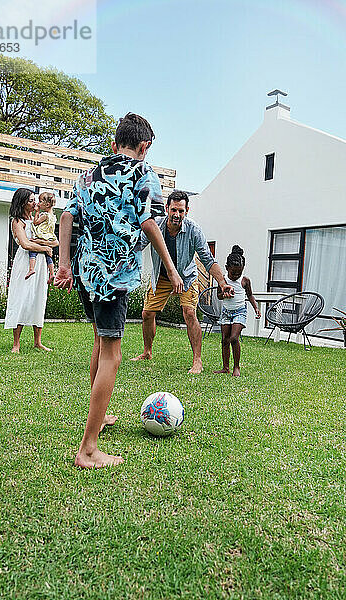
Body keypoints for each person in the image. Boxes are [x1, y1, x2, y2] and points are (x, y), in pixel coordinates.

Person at [54, 112, 183, 469]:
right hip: (113, 276)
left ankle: (101, 416)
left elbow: (66, 218)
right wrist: (171, 269)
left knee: (100, 341)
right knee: (113, 353)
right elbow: (148, 223)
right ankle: (88, 449)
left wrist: (64, 265)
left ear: (115, 144)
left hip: (84, 272)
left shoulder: (88, 174)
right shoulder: (145, 174)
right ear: (145, 147)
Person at [131, 190, 233, 374]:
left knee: (189, 313)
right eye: (174, 210)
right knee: (147, 314)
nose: (177, 215)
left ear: (187, 211)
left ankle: (197, 361)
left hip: (186, 276)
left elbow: (208, 260)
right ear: (166, 208)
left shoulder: (194, 230)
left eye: (181, 211)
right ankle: (147, 352)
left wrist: (223, 283)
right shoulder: (156, 226)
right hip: (161, 276)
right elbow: (137, 246)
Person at [4, 188, 58, 353]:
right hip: (25, 263)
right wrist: (45, 249)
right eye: (31, 201)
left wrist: (46, 247)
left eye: (35, 200)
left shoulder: (42, 220)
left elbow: (55, 242)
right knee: (22, 297)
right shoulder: (17, 221)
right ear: (22, 203)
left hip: (40, 263)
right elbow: (25, 244)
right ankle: (16, 344)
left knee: (39, 298)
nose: (35, 203)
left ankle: (38, 342)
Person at [214, 245, 261, 377]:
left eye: (238, 273)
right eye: (233, 273)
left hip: (240, 311)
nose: (235, 276)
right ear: (227, 268)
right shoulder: (222, 280)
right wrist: (225, 295)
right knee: (224, 340)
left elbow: (250, 295)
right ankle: (225, 367)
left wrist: (256, 308)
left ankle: (236, 367)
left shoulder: (245, 281)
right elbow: (218, 295)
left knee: (234, 338)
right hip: (226, 312)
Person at [25, 192, 58, 284]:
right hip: (49, 237)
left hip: (42, 236)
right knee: (49, 256)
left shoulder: (45, 215)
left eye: (40, 201)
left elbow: (35, 222)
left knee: (33, 251)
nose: (38, 203)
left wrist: (37, 212)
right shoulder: (53, 216)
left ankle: (31, 269)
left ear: (47, 204)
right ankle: (52, 273)